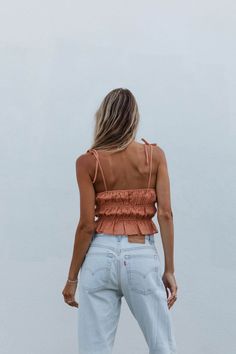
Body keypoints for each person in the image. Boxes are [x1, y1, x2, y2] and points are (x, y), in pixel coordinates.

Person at [62, 88, 178, 354]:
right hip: (141, 254)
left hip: (99, 257)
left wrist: (71, 279)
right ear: (134, 118)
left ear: (103, 117)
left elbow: (86, 224)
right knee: (163, 346)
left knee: (94, 349)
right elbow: (166, 214)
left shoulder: (87, 162)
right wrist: (169, 269)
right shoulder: (155, 156)